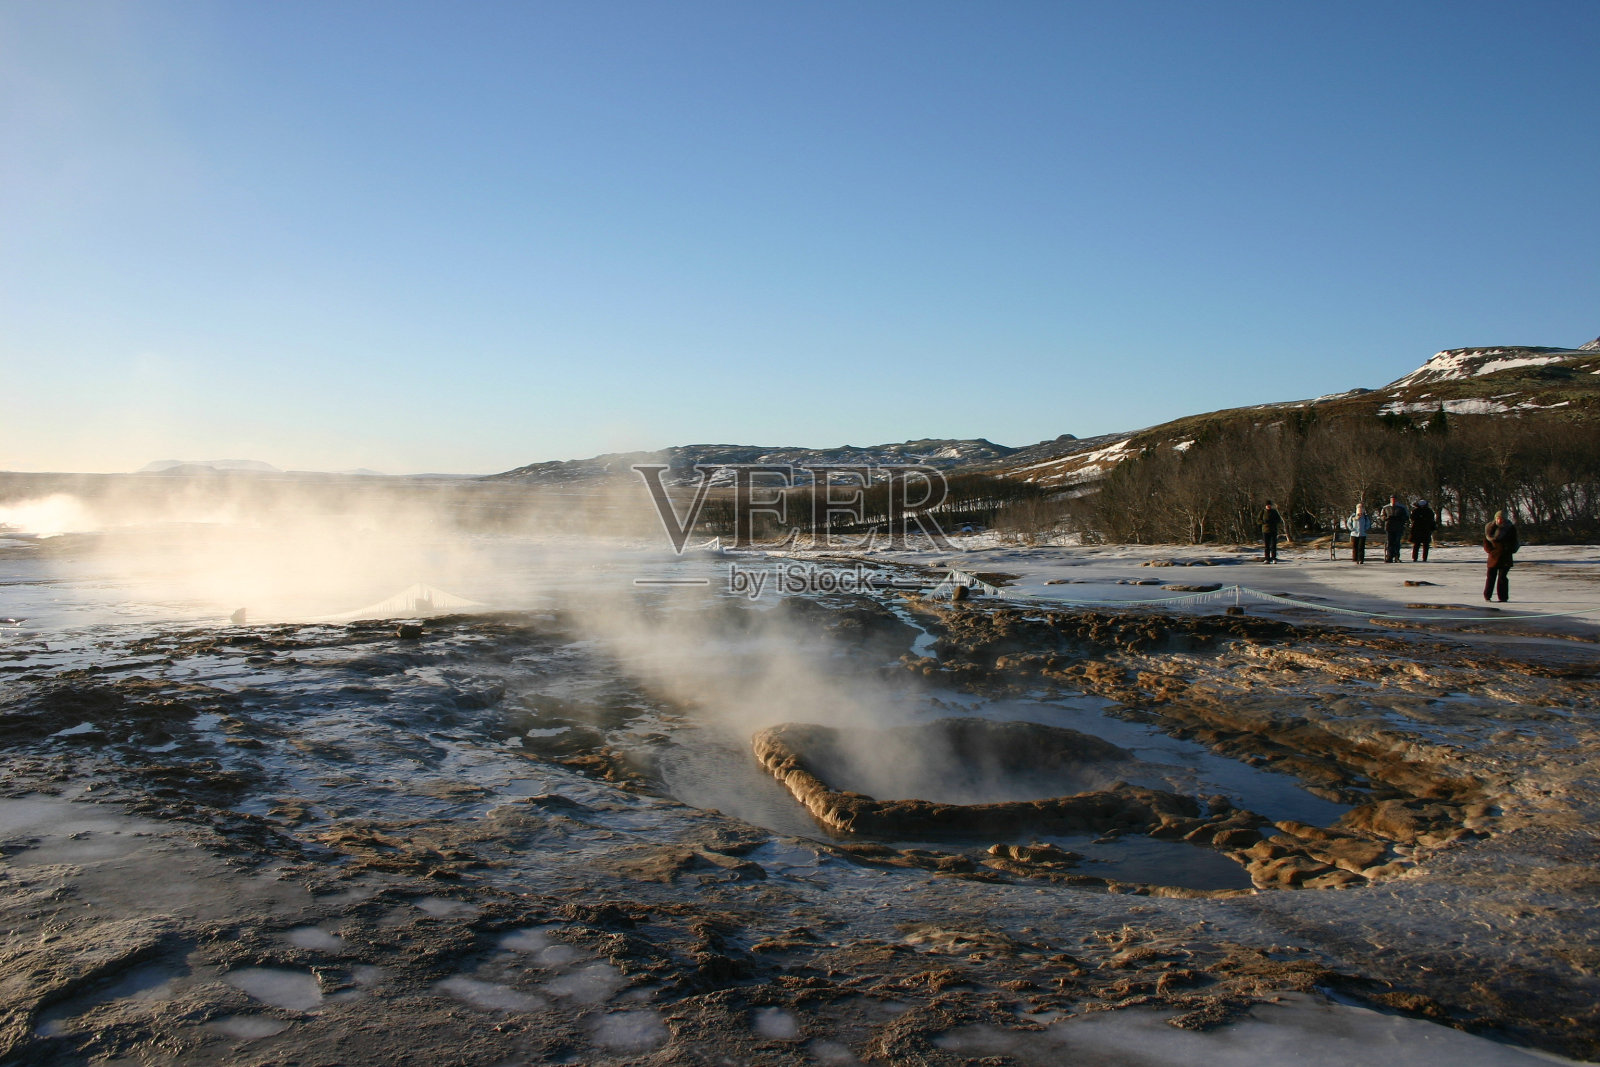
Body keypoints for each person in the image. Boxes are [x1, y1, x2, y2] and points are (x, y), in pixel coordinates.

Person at [1483, 510, 1519, 602]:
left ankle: (1503, 597)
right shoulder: (1489, 528)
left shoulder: (1510, 528)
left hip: (1505, 556)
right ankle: (1487, 596)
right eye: (1498, 518)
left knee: (1502, 578)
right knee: (1491, 577)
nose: (1500, 520)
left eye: (1502, 519)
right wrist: (1490, 551)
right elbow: (1486, 542)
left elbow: (1515, 542)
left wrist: (1509, 549)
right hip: (1493, 557)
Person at [1379, 495, 1409, 563]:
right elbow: (1382, 516)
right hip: (1389, 527)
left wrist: (1400, 518)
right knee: (1389, 543)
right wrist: (1385, 518)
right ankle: (1389, 557)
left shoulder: (1402, 507)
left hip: (1398, 527)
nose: (1393, 500)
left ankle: (1396, 557)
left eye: (1394, 499)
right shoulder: (1385, 507)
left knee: (1397, 542)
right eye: (1392, 499)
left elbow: (1406, 517)